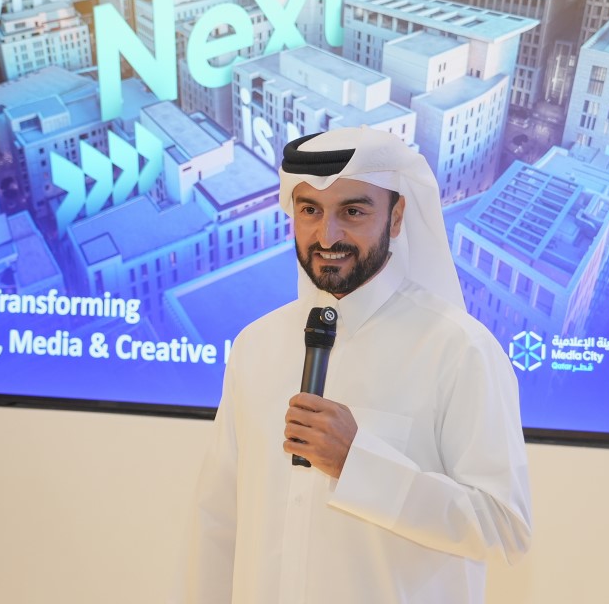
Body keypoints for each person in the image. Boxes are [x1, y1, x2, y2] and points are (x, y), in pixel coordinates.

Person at [177, 126, 531, 603]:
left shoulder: (458, 349)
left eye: (353, 211)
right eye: (310, 211)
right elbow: (219, 521)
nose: (328, 235)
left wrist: (357, 464)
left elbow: (504, 527)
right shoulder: (255, 346)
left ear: (397, 216)